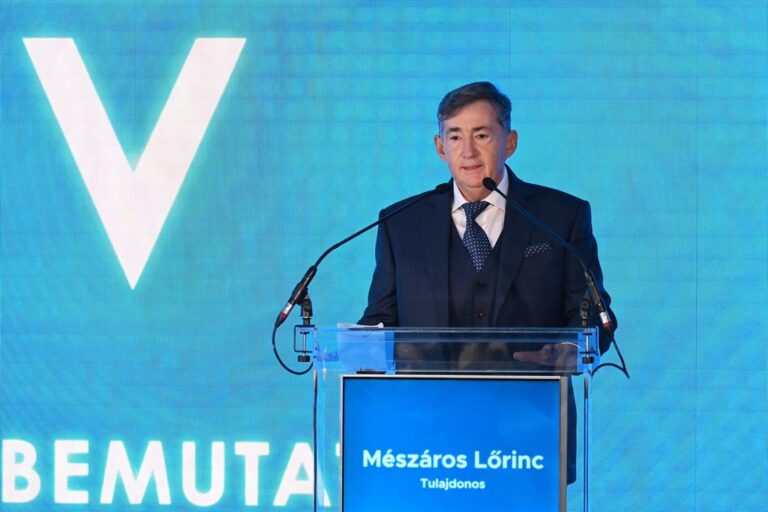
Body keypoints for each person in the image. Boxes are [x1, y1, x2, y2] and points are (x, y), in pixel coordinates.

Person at [357, 81, 617, 482]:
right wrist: (361, 349)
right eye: (454, 137)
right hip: (426, 442)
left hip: (530, 431)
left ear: (509, 142)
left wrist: (570, 350)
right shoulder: (401, 222)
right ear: (439, 147)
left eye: (481, 135)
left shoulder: (561, 216)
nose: (468, 151)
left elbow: (595, 318)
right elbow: (380, 319)